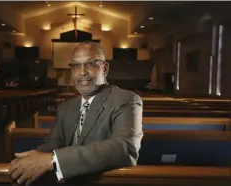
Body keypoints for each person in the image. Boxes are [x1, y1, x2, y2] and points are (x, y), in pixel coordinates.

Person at [8, 41, 143, 185]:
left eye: (90, 64)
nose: (82, 72)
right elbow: (52, 144)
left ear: (104, 68)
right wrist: (32, 159)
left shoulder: (125, 100)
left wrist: (53, 160)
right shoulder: (66, 107)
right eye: (76, 66)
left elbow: (125, 148)